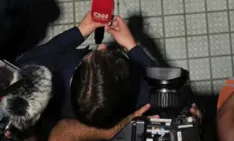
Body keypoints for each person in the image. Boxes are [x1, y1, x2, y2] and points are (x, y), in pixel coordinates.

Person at [14, 6, 156, 123]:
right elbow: (161, 78)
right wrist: (132, 46)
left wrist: (80, 31)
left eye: (89, 57)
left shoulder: (26, 68)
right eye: (111, 58)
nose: (102, 47)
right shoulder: (141, 95)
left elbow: (51, 49)